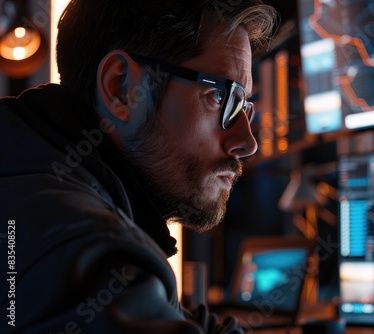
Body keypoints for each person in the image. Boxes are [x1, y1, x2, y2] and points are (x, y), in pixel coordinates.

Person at [0, 0, 277, 332]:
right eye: (221, 98)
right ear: (122, 88)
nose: (247, 142)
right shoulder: (84, 249)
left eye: (243, 105)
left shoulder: (32, 164)